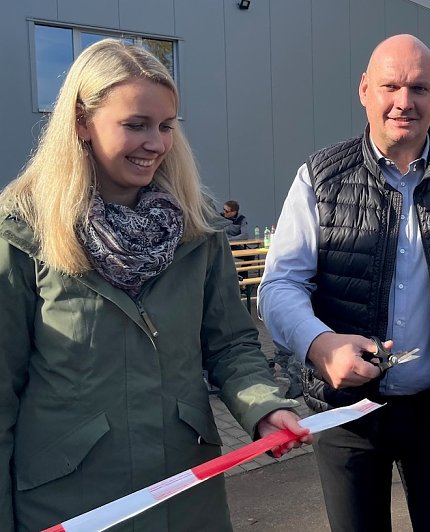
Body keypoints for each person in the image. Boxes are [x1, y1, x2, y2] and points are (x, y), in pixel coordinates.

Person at [0, 39, 311, 531]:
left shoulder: (197, 229)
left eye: (166, 126)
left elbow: (230, 344)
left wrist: (264, 408)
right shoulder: (23, 232)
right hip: (72, 506)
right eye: (136, 125)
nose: (156, 143)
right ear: (81, 122)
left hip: (185, 495)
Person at [259, 34, 430, 531]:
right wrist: (320, 345)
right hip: (346, 417)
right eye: (391, 86)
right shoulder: (320, 177)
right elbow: (278, 286)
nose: (405, 102)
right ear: (364, 90)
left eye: (419, 88)